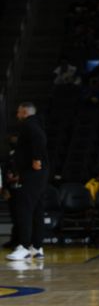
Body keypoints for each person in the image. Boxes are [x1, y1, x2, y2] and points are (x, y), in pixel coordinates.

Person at [5, 103, 48, 261]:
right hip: (38, 175)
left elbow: (40, 139)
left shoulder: (30, 124)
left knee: (24, 209)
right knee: (37, 209)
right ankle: (36, 247)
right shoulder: (36, 123)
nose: (17, 115)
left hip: (33, 174)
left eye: (18, 112)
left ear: (24, 112)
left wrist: (37, 158)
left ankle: (23, 246)